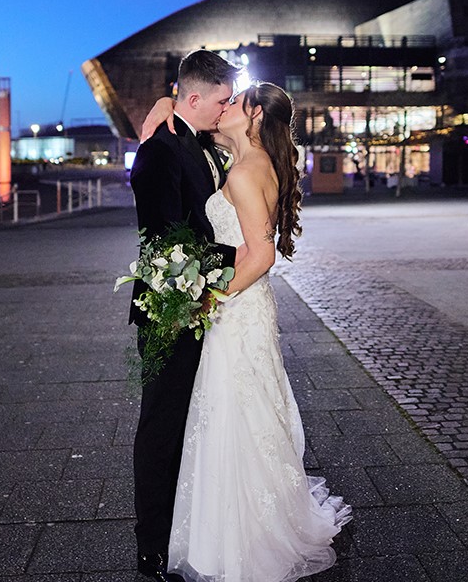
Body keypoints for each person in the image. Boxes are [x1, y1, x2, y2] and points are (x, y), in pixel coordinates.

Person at [141, 82, 351, 582]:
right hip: (244, 308)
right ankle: (232, 526)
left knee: (235, 412)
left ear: (254, 115)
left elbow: (262, 255)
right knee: (242, 411)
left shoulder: (247, 169)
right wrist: (166, 102)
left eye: (235, 102)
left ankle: (242, 537)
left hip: (237, 307)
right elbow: (189, 121)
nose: (226, 107)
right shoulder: (241, 156)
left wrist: (208, 299)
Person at [129, 49, 240, 582]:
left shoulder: (205, 142)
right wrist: (245, 257)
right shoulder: (160, 150)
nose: (227, 109)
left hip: (207, 304)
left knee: (201, 423)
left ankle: (191, 529)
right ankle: (151, 546)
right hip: (172, 310)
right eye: (222, 101)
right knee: (163, 426)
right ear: (194, 98)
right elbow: (166, 240)